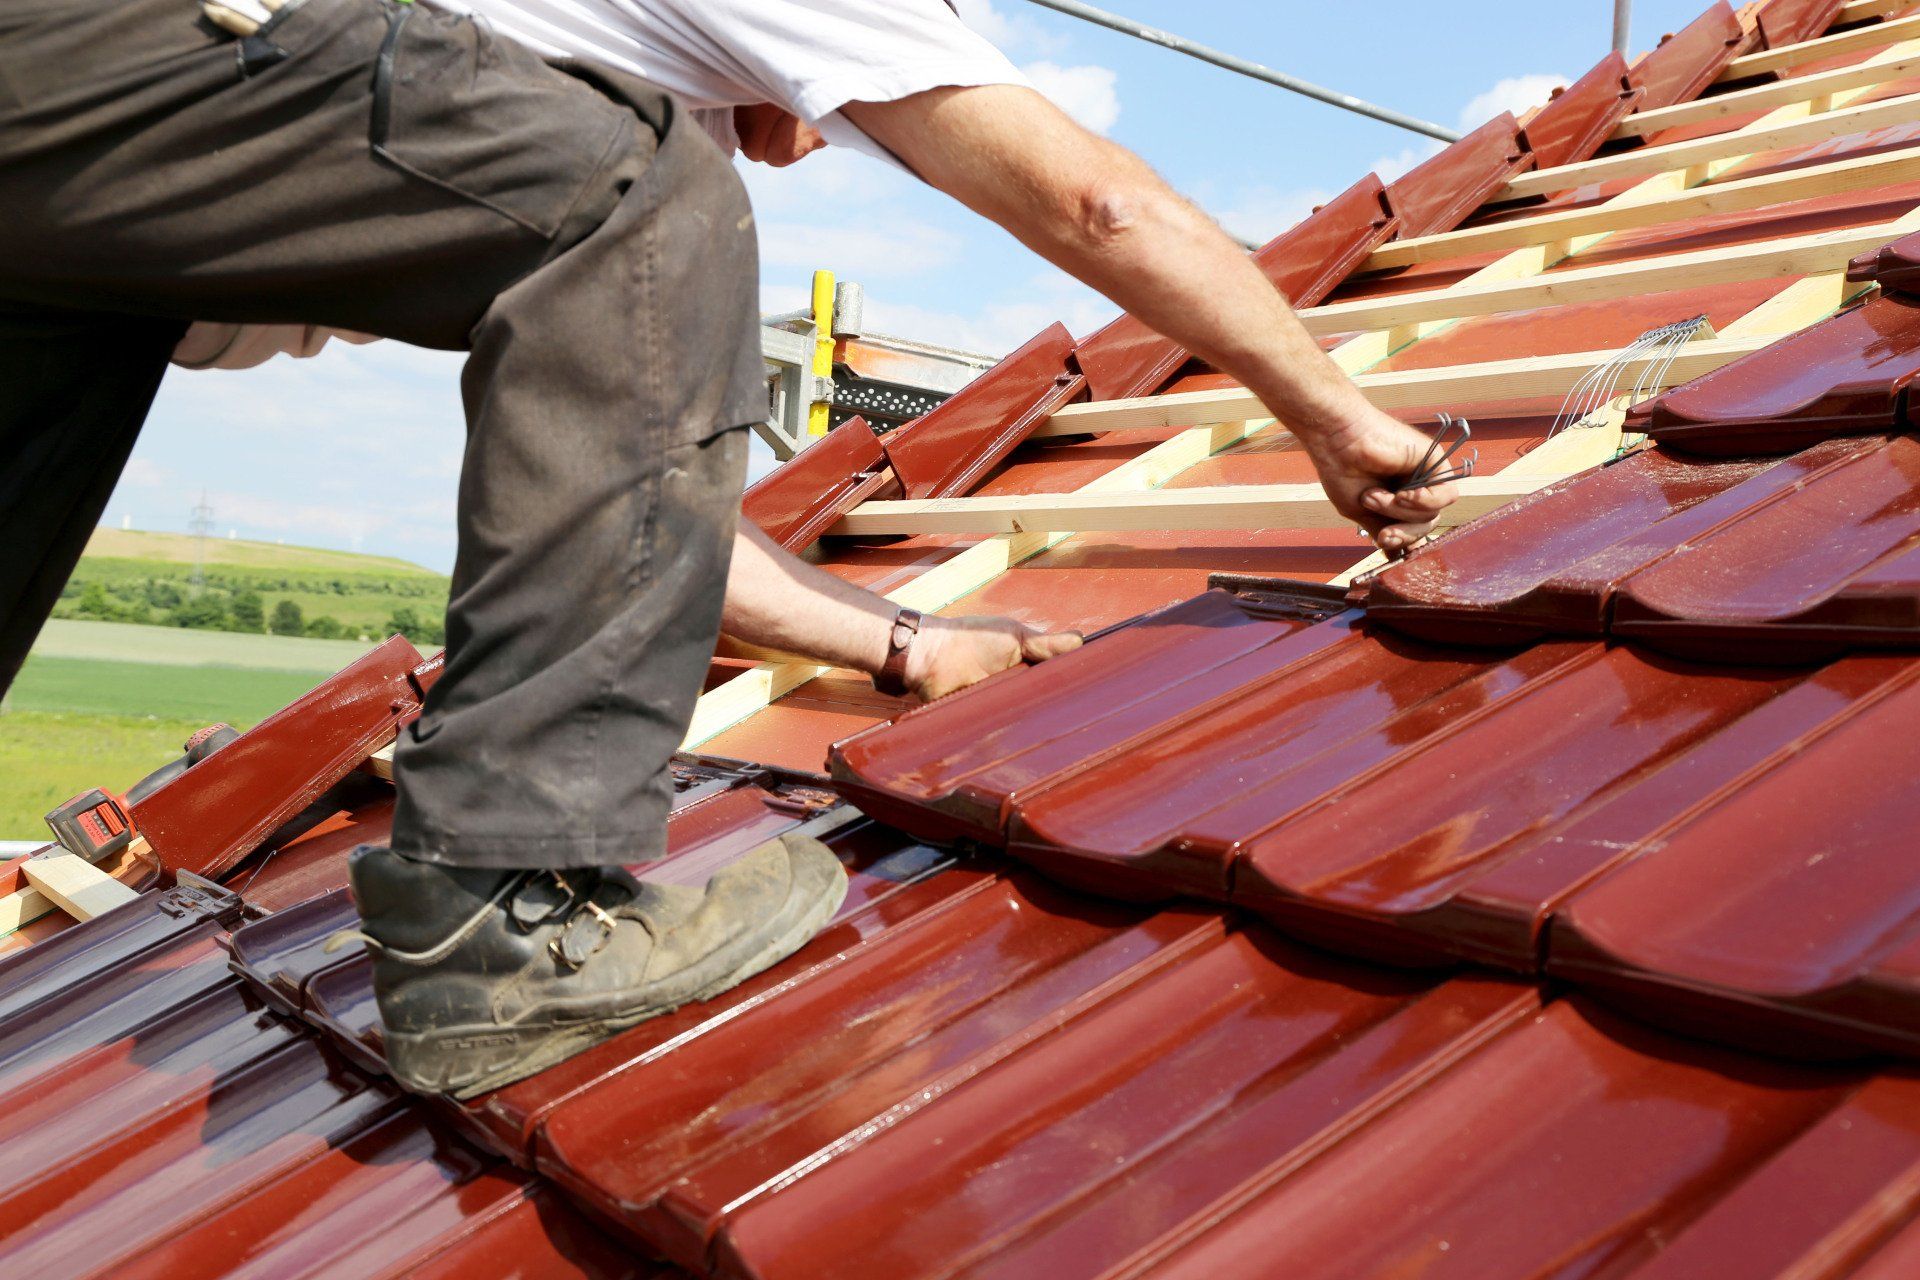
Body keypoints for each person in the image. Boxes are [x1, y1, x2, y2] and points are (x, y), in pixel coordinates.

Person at [0, 0, 1456, 1098]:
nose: (822, 125)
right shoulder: (650, 122)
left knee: (634, 197)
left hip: (59, 186)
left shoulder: (535, 86)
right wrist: (1330, 412)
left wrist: (907, 643)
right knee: (641, 194)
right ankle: (504, 923)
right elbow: (1096, 202)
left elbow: (627, 500)